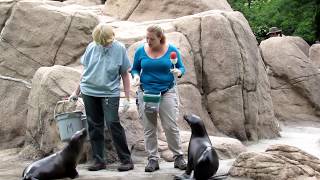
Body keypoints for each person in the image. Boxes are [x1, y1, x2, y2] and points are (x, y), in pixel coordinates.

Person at [69, 23, 133, 172]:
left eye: (107, 42)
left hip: (110, 92)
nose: (104, 45)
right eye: (101, 43)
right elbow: (86, 71)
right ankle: (99, 160)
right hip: (89, 91)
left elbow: (124, 73)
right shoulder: (92, 46)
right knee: (94, 124)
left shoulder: (119, 48)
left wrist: (127, 98)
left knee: (113, 123)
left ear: (112, 38)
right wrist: (76, 92)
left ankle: (126, 160)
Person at [131, 24, 187, 172]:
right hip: (146, 92)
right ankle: (153, 159)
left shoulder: (172, 50)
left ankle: (178, 157)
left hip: (166, 92)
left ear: (160, 38)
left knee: (170, 125)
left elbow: (182, 68)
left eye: (152, 39)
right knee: (149, 128)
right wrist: (136, 76)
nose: (148, 41)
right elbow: (135, 68)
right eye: (147, 38)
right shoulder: (140, 51)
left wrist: (178, 72)